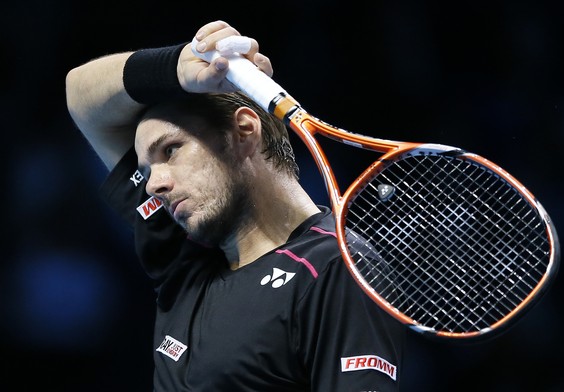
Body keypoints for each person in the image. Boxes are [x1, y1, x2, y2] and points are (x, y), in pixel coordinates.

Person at [65, 20, 407, 391]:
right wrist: (181, 64)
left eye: (171, 150)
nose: (153, 184)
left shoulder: (335, 269)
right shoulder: (184, 255)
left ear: (244, 131)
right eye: (146, 168)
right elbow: (80, 98)